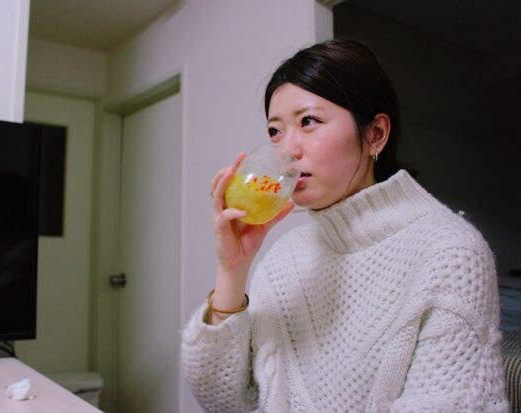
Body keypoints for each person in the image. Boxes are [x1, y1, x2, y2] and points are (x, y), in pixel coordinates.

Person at [181, 39, 509, 412]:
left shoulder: (451, 253)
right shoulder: (284, 257)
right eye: (275, 131)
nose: (287, 151)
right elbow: (222, 401)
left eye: (308, 122)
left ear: (375, 134)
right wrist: (232, 269)